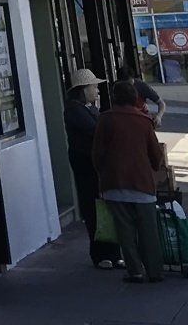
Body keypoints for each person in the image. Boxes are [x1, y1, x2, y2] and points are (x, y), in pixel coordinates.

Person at [93, 79, 168, 284]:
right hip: (142, 181)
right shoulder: (144, 121)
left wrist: (103, 172)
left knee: (124, 229)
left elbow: (97, 153)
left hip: (114, 181)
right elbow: (155, 154)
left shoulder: (105, 119)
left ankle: (135, 270)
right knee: (148, 229)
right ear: (135, 98)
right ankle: (154, 270)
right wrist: (153, 167)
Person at [64, 68, 110, 263]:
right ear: (83, 89)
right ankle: (100, 254)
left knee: (104, 207)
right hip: (85, 164)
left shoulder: (88, 108)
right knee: (93, 208)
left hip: (94, 162)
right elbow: (97, 130)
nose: (97, 91)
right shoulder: (75, 110)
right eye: (94, 87)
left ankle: (111, 251)